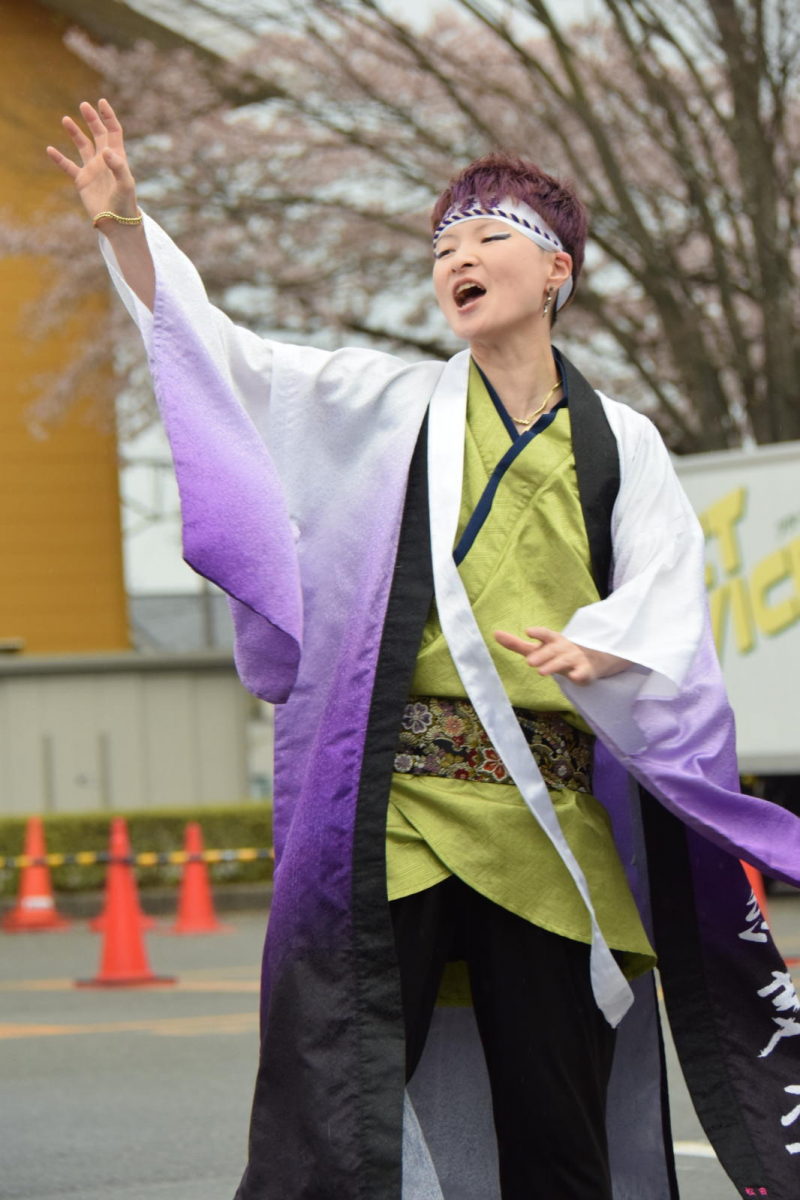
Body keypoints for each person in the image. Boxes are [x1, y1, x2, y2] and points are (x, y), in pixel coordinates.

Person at [49, 100, 800, 1200]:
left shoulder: (618, 439)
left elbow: (662, 583)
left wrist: (603, 645)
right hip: (389, 812)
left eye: (486, 237)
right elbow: (235, 365)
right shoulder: (385, 404)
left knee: (555, 1125)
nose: (456, 257)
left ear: (556, 273)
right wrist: (127, 229)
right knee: (338, 1095)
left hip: (543, 828)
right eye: (441, 246)